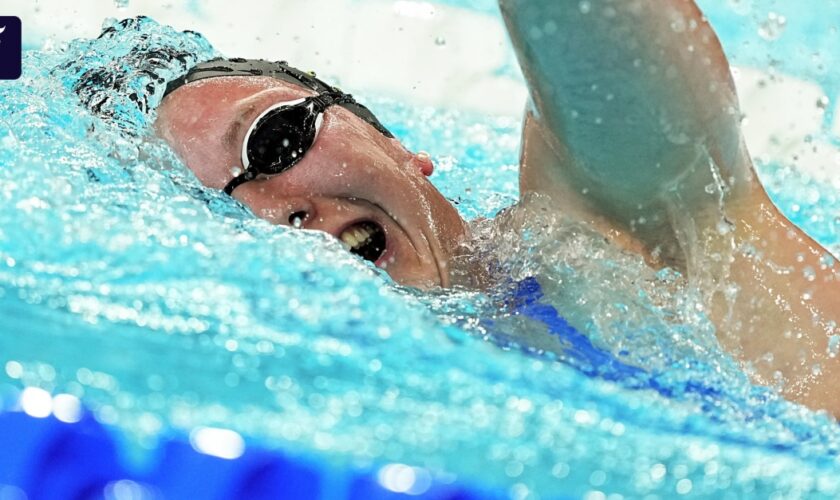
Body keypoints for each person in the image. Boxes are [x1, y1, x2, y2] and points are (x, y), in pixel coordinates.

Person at [152, 1, 840, 417]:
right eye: (225, 217)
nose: (274, 216)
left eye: (273, 141)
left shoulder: (617, 226)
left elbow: (595, 34)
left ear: (398, 146)